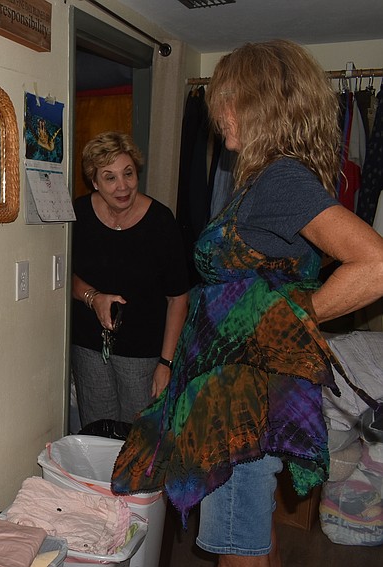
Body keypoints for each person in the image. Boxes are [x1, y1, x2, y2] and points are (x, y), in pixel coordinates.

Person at [111, 40, 383, 567]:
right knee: (256, 538)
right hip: (241, 397)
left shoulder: (280, 179)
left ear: (257, 105)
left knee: (239, 548)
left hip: (238, 404)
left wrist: (283, 321)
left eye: (228, 101)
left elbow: (373, 264)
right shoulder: (269, 180)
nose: (220, 116)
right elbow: (292, 269)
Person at [70, 131, 189, 429]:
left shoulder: (161, 222)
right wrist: (93, 298)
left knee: (141, 440)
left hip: (145, 356)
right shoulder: (78, 215)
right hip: (89, 349)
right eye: (109, 177)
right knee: (96, 434)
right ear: (94, 182)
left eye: (128, 173)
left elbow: (178, 298)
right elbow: (61, 276)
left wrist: (166, 363)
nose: (122, 186)